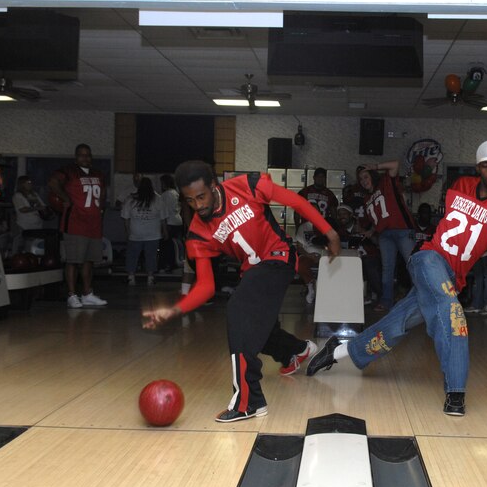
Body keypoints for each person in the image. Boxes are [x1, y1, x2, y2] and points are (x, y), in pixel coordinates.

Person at [306, 140, 487, 416]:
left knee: (395, 326)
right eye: (486, 164)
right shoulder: (460, 185)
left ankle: (336, 351)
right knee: (452, 313)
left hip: (452, 278)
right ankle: (455, 391)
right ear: (478, 167)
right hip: (428, 258)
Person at [142, 161, 341, 423]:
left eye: (201, 197)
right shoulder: (198, 234)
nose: (198, 205)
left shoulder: (247, 185)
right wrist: (176, 308)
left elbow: (296, 202)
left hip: (279, 256)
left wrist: (330, 232)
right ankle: (295, 350)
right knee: (260, 328)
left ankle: (249, 401)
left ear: (214, 186)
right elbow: (206, 286)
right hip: (252, 271)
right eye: (190, 201)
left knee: (238, 309)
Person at [47, 143, 108, 308]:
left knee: (89, 261)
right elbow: (53, 183)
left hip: (93, 224)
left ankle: (87, 293)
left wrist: (101, 208)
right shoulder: (68, 171)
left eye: (88, 155)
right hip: (75, 222)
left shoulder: (98, 173)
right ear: (76, 157)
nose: (85, 158)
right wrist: (66, 199)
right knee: (73, 260)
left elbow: (103, 192)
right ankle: (72, 295)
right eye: (81, 155)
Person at [357, 161, 416, 312]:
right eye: (361, 179)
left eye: (365, 176)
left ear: (372, 175)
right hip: (385, 235)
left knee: (413, 264)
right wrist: (370, 232)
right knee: (387, 268)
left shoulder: (385, 183)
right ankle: (386, 300)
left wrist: (374, 166)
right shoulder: (366, 199)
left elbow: (395, 164)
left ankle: (422, 299)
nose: (364, 181)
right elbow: (379, 220)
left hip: (402, 230)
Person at [122, 176, 168, 286]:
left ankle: (131, 277)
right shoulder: (158, 198)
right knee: (151, 256)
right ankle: (150, 277)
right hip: (153, 234)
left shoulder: (131, 199)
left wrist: (128, 232)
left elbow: (125, 218)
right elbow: (163, 219)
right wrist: (165, 232)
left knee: (133, 255)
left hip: (135, 233)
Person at [335, 204, 382, 305]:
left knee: (370, 264)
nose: (342, 216)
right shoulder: (339, 231)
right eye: (339, 214)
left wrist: (363, 232)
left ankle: (379, 296)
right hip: (350, 260)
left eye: (344, 213)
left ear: (351, 215)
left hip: (368, 258)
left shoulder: (364, 225)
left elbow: (378, 242)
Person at [293, 201, 326, 304]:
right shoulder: (303, 227)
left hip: (324, 255)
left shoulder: (326, 225)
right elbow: (299, 247)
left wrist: (322, 255)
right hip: (308, 255)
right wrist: (309, 255)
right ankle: (311, 287)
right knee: (300, 264)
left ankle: (324, 291)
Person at [11, 175, 52, 254]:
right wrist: (37, 209)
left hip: (37, 225)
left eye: (31, 182)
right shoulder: (18, 196)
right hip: (24, 225)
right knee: (24, 245)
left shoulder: (34, 194)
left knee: (35, 244)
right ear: (22, 184)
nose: (30, 184)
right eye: (28, 182)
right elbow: (22, 209)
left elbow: (42, 206)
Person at [158, 173, 184, 272]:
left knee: (167, 246)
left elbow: (163, 211)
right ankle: (175, 263)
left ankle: (166, 265)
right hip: (178, 221)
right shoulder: (176, 193)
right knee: (176, 245)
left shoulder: (164, 195)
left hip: (169, 222)